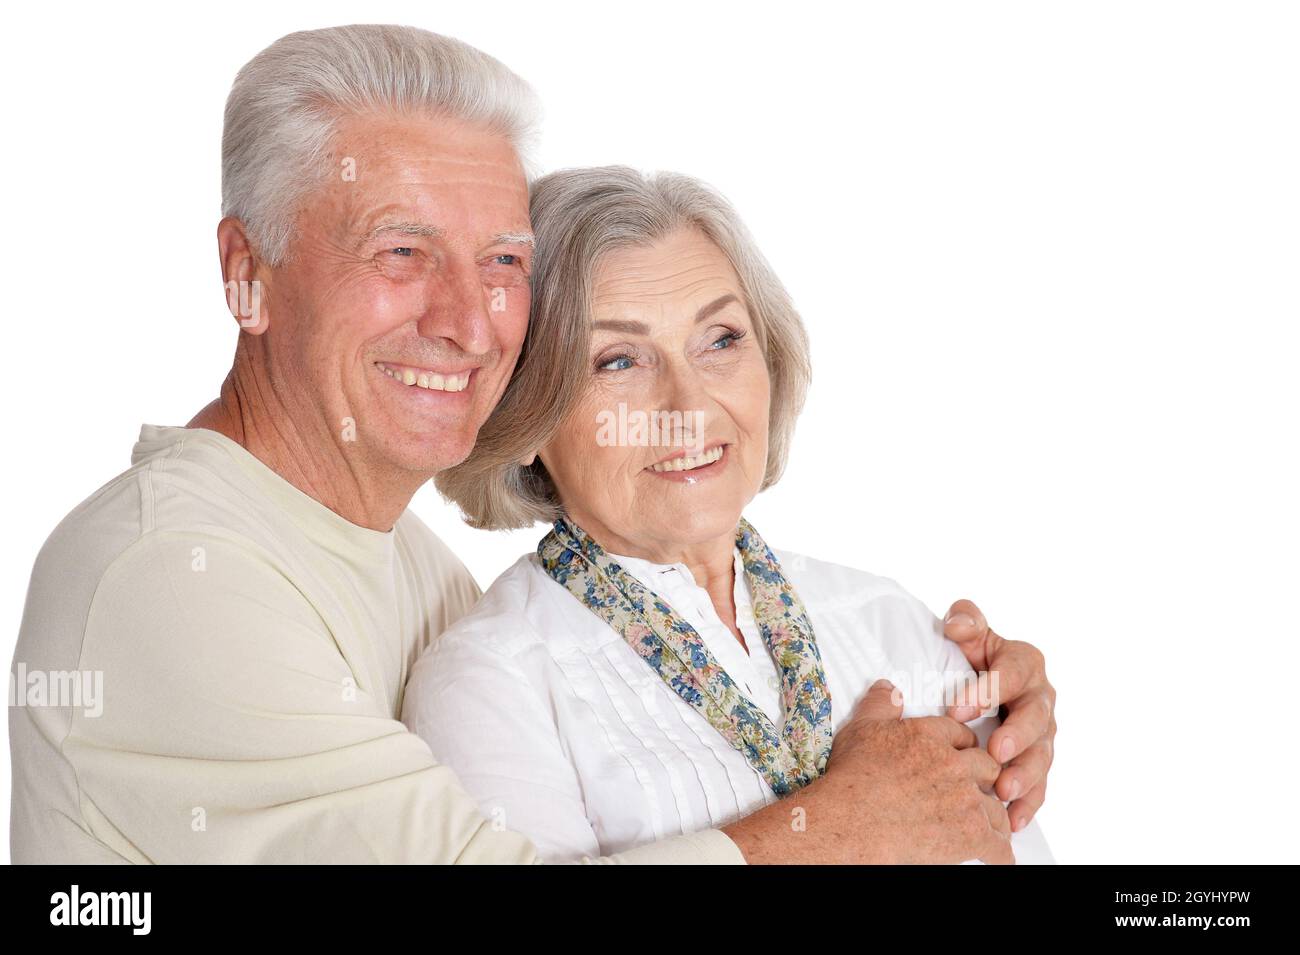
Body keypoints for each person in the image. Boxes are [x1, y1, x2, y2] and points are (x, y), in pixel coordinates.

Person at [10, 25, 1054, 864]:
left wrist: (989, 724)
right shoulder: (171, 576)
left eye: (502, 258)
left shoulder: (410, 570)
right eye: (401, 249)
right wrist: (843, 827)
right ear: (248, 272)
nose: (468, 320)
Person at [405, 166, 1057, 863]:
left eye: (720, 340)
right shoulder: (489, 682)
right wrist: (844, 826)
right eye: (619, 360)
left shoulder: (887, 617)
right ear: (527, 417)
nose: (689, 407)